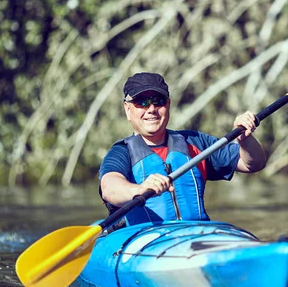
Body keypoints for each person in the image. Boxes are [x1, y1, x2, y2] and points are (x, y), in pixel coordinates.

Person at [99, 72, 266, 227]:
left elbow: (253, 163)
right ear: (128, 110)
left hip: (196, 233)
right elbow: (109, 188)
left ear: (168, 105)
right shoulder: (122, 152)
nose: (151, 109)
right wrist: (139, 189)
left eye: (158, 101)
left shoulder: (195, 142)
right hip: (146, 240)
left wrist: (245, 139)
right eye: (142, 102)